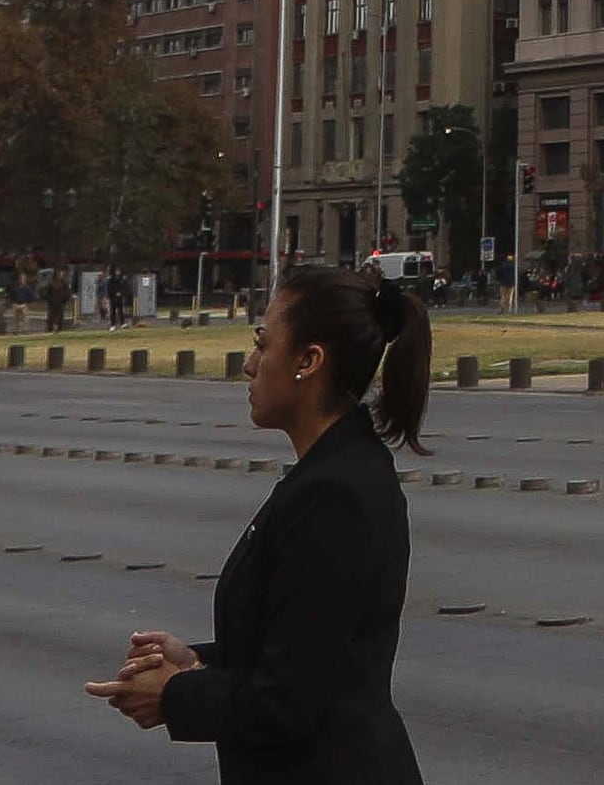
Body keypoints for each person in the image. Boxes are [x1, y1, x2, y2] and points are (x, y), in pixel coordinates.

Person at [90, 262, 425, 782]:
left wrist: (173, 695)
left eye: (263, 344)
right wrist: (193, 661)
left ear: (308, 361)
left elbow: (289, 703)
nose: (249, 365)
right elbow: (304, 648)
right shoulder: (334, 470)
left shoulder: (335, 493)